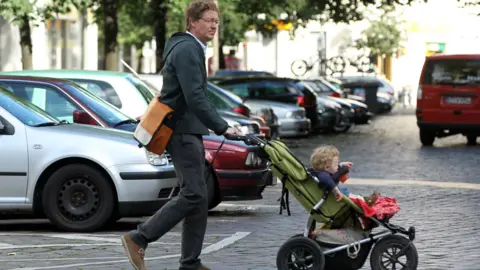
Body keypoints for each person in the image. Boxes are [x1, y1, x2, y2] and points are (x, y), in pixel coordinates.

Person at [120, 1, 242, 269]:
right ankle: (139, 237)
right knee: (195, 195)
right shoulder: (187, 49)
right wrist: (223, 127)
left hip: (187, 130)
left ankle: (190, 263)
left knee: (198, 198)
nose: (213, 25)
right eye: (208, 20)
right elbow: (195, 97)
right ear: (193, 22)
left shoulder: (188, 47)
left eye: (216, 21)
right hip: (183, 132)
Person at [308, 145, 380, 206]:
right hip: (335, 196)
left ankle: (366, 198)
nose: (337, 167)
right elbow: (327, 179)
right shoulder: (322, 175)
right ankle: (368, 201)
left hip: (336, 193)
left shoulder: (321, 171)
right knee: (353, 197)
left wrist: (340, 165)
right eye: (336, 164)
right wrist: (336, 190)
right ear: (326, 167)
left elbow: (331, 170)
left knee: (351, 194)